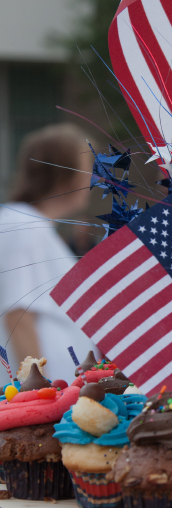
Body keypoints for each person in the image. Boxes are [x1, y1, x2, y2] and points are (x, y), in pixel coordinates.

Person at [0, 123, 98, 383]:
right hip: (44, 407)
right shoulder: (21, 225)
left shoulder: (32, 226)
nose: (92, 178)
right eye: (88, 168)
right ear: (67, 174)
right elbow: (18, 317)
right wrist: (39, 397)